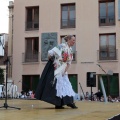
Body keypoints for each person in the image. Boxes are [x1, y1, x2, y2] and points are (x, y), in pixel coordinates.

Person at [35, 35, 77, 109]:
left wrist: (65, 71)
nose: (74, 42)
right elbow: (50, 53)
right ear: (69, 40)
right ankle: (59, 104)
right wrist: (52, 61)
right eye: (73, 40)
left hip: (63, 70)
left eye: (74, 40)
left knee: (65, 85)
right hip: (57, 68)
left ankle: (68, 102)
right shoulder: (61, 46)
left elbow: (69, 63)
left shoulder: (70, 50)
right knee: (58, 87)